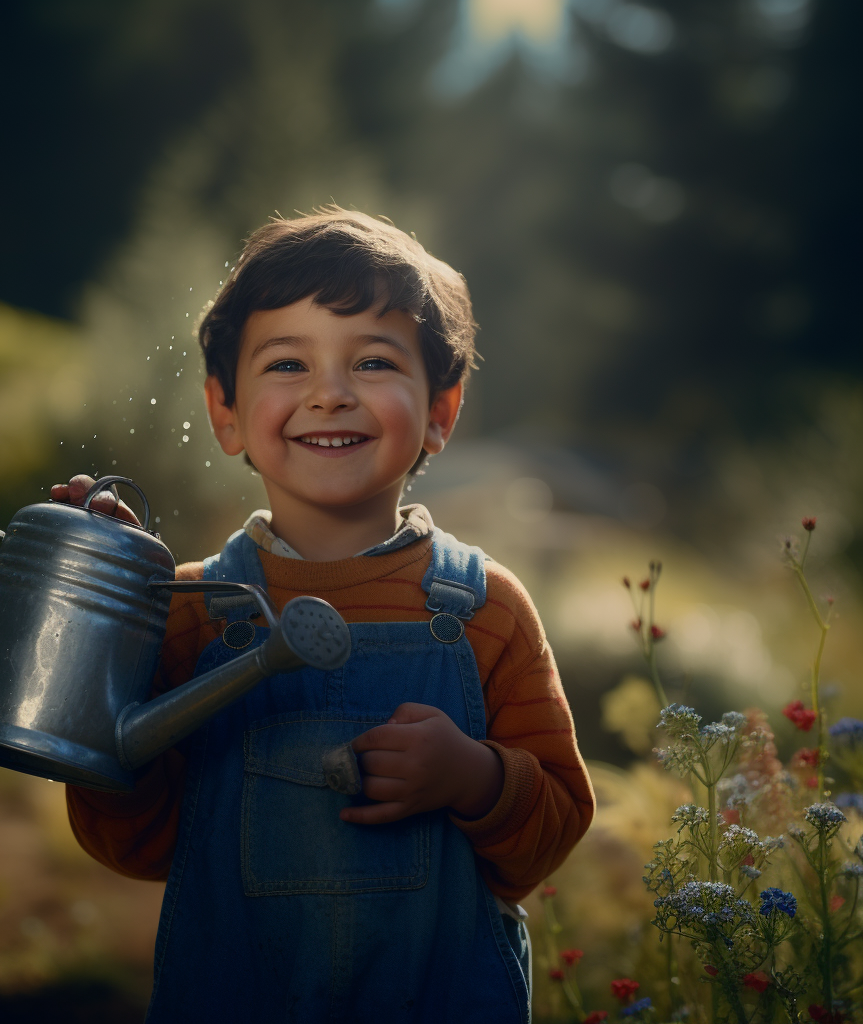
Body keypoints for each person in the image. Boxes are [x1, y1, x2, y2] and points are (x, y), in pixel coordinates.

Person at [56, 208, 594, 1022]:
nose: (330, 394)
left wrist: (474, 778)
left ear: (442, 411)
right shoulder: (192, 615)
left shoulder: (484, 610)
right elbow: (135, 844)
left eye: (374, 361)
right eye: (286, 364)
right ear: (225, 410)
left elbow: (546, 840)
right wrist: (111, 617)